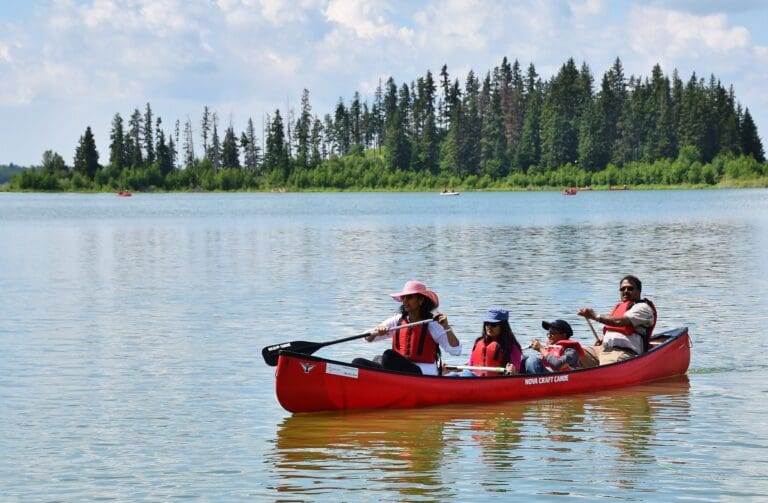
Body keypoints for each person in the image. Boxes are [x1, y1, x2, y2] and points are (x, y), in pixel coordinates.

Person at [352, 280, 462, 375]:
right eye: (403, 297)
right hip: (399, 370)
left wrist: (447, 328)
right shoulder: (397, 321)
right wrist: (376, 332)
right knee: (358, 363)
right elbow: (366, 338)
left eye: (409, 297)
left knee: (388, 356)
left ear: (420, 300)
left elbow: (456, 351)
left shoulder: (433, 324)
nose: (405, 301)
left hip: (423, 372)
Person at [577, 275, 657, 365]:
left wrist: (595, 316)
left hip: (622, 352)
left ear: (639, 291)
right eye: (622, 289)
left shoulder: (643, 308)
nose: (625, 291)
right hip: (602, 349)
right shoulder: (619, 307)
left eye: (630, 288)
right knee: (573, 353)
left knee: (605, 368)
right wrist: (603, 340)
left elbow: (619, 322)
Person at [446, 308, 522, 377]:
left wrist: (513, 372)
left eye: (493, 324)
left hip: (494, 382)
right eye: (487, 323)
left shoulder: (512, 347)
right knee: (452, 375)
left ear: (503, 327)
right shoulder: (478, 342)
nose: (489, 327)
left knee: (467, 374)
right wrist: (451, 369)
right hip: (475, 378)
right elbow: (470, 366)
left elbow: (516, 373)